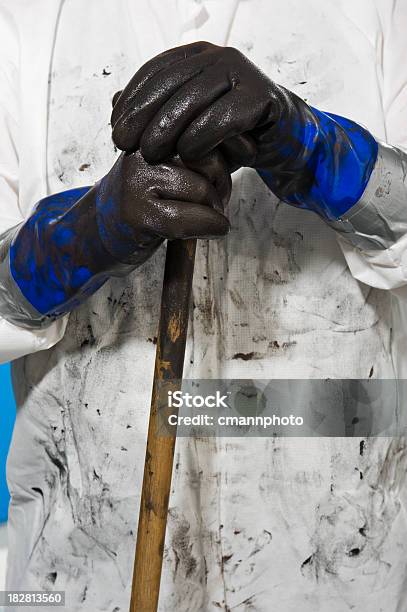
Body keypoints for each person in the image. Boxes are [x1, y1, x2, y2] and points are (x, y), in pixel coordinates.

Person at [1, 0, 407, 610]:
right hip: (82, 567)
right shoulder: (21, 22)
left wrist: (314, 148)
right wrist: (80, 237)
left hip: (344, 561)